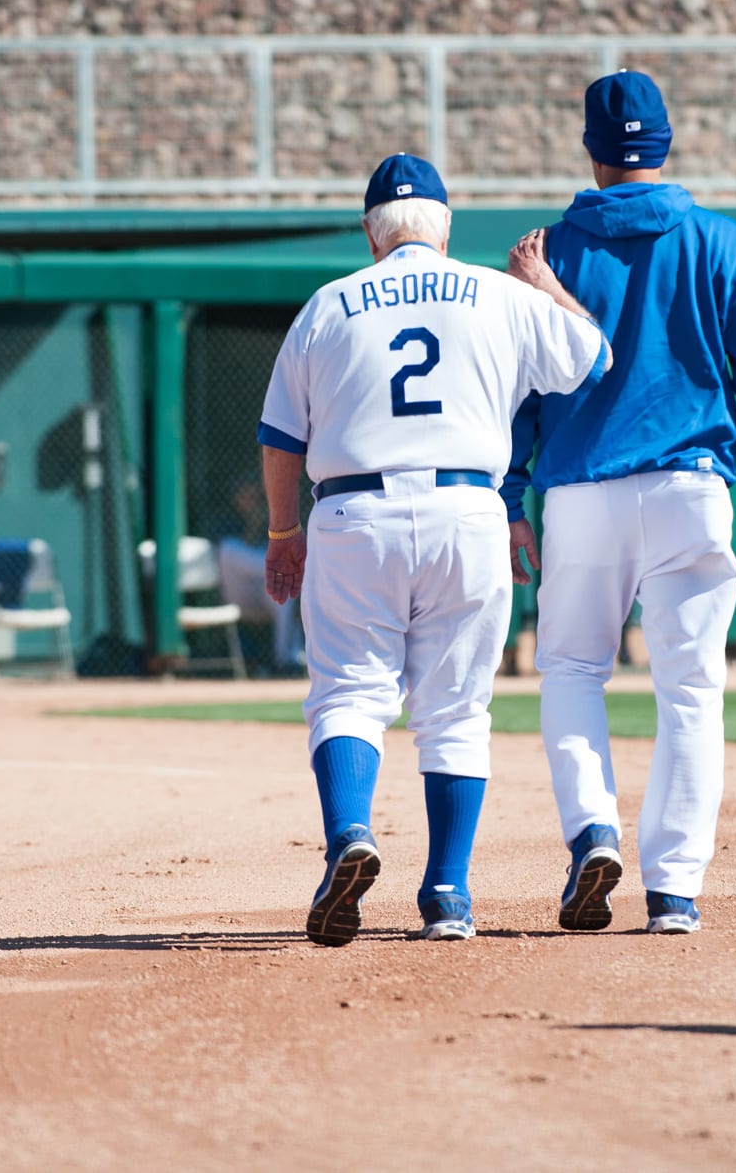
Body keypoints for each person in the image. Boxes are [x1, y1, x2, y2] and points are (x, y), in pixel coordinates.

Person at [258, 153, 609, 946]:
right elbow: (593, 358)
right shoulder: (493, 290)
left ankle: (351, 832)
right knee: (456, 711)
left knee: (349, 693)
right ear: (445, 229)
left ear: (369, 233)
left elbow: (280, 435)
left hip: (355, 510)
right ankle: (448, 896)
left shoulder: (329, 303)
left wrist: (284, 535)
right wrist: (543, 286)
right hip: (466, 509)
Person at [501, 71, 736, 937]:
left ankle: (593, 833)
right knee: (691, 691)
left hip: (579, 493)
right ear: (667, 140)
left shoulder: (547, 254)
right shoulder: (723, 242)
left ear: (591, 149)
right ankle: (674, 891)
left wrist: (511, 496)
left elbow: (519, 396)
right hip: (691, 490)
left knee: (570, 671)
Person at [213, 474, 305, 674]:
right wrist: (254, 523)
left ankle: (287, 661)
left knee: (285, 594)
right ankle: (293, 570)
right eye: (245, 494)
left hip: (263, 591)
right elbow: (243, 554)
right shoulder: (226, 521)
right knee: (229, 549)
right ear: (235, 497)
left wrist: (261, 520)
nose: (250, 500)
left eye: (254, 495)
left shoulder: (269, 517)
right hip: (237, 594)